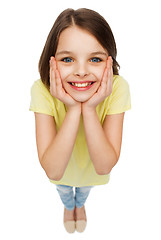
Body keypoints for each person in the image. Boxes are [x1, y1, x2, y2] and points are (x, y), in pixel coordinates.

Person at [29, 8, 131, 233]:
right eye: (68, 59)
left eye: (95, 59)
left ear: (109, 62)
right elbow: (54, 171)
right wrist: (74, 109)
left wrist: (90, 108)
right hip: (62, 172)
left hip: (90, 171)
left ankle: (80, 204)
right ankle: (69, 206)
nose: (82, 71)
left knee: (84, 189)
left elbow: (104, 167)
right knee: (64, 190)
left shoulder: (117, 88)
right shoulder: (41, 90)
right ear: (51, 62)